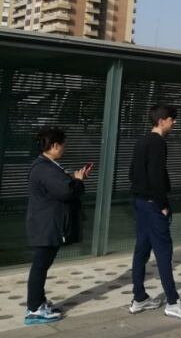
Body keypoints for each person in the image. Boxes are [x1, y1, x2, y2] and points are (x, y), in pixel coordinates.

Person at [129, 105, 181, 319]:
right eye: (171, 119)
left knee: (141, 249)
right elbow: (156, 176)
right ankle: (173, 301)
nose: (174, 122)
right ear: (161, 121)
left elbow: (132, 173)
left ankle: (139, 297)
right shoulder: (158, 143)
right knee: (164, 251)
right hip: (153, 204)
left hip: (140, 202)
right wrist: (163, 205)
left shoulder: (141, 141)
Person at [24, 128, 90, 325]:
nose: (64, 148)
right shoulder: (45, 168)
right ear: (54, 146)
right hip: (46, 226)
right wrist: (77, 181)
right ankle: (34, 309)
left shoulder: (46, 165)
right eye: (63, 145)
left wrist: (74, 178)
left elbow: (59, 186)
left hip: (45, 224)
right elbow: (66, 192)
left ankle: (39, 303)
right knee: (40, 267)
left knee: (42, 266)